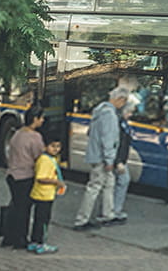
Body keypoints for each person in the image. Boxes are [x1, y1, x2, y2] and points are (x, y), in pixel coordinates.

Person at [73, 86, 129, 230]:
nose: (123, 105)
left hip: (96, 155)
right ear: (120, 99)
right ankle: (82, 220)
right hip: (102, 158)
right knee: (95, 187)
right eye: (124, 101)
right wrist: (109, 160)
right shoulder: (110, 115)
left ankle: (108, 214)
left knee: (109, 184)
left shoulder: (99, 111)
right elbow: (108, 139)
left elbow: (90, 133)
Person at [0, 106, 45, 249]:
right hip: (25, 176)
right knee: (24, 209)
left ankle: (8, 237)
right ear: (35, 119)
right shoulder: (35, 137)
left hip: (12, 175)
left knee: (15, 206)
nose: (43, 120)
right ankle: (20, 239)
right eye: (41, 118)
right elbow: (40, 157)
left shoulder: (17, 134)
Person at [27, 135, 66, 254]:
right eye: (53, 146)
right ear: (45, 147)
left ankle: (34, 242)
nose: (56, 149)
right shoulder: (44, 160)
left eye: (58, 146)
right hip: (44, 195)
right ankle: (40, 243)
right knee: (43, 220)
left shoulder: (51, 158)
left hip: (45, 194)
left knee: (39, 219)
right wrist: (56, 182)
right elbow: (40, 177)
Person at [110, 104, 134, 221]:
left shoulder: (122, 124)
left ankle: (112, 209)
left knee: (116, 183)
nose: (131, 115)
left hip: (120, 159)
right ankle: (114, 210)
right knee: (123, 181)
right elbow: (118, 144)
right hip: (118, 160)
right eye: (129, 112)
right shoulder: (120, 125)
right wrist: (119, 161)